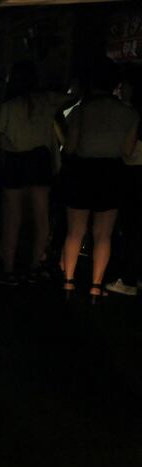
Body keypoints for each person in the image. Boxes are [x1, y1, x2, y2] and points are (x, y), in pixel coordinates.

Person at [61, 59, 139, 303]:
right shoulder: (129, 113)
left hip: (83, 170)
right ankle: (96, 287)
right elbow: (127, 151)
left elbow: (71, 147)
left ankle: (69, 282)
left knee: (75, 231)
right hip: (112, 171)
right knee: (103, 234)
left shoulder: (81, 111)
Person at [0, 61, 74, 286]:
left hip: (16, 161)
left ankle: (9, 268)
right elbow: (71, 98)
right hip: (39, 161)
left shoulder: (9, 106)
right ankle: (34, 266)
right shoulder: (47, 101)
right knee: (41, 218)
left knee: (13, 219)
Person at [107, 72, 142, 297]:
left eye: (124, 86)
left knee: (131, 229)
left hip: (134, 175)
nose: (121, 90)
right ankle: (136, 276)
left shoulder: (134, 116)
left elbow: (127, 151)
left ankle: (127, 279)